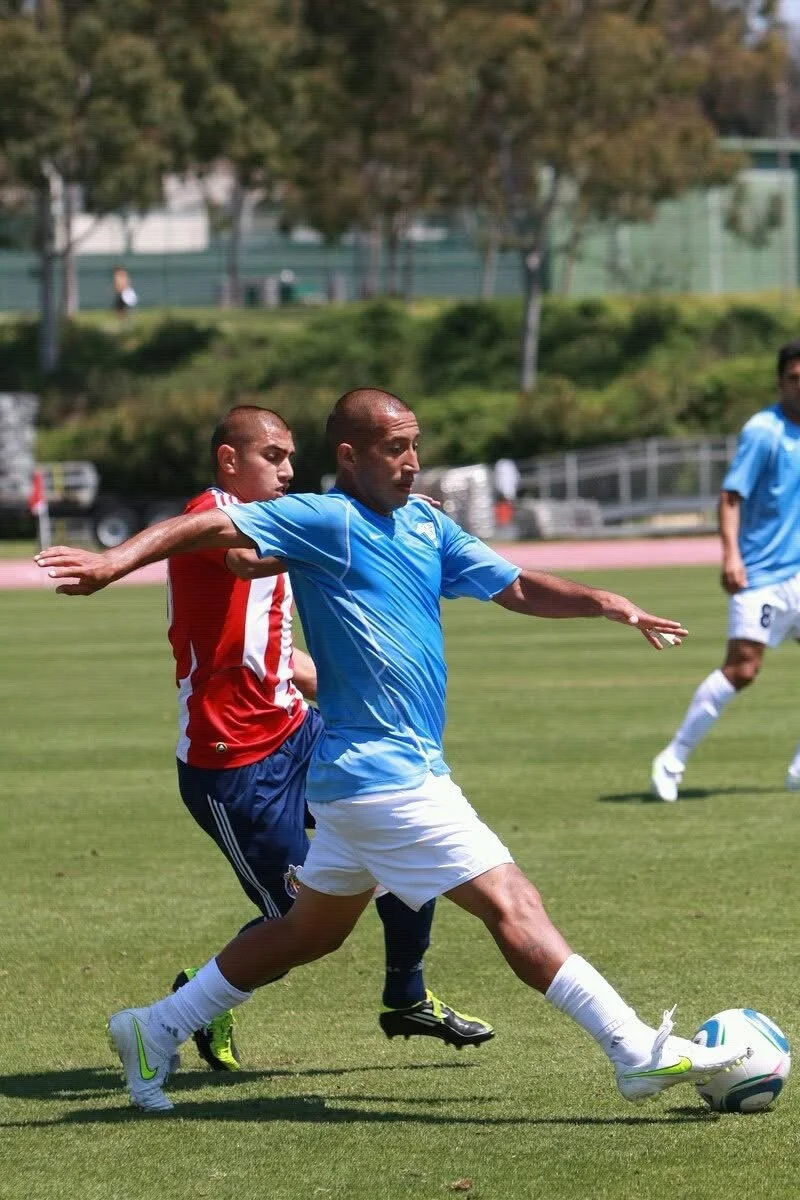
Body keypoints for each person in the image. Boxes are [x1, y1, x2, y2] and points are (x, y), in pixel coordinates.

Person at [36, 388, 750, 1113]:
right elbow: (204, 524)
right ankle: (634, 1051)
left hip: (352, 779)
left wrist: (600, 600)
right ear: (349, 456)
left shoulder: (427, 526)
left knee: (307, 934)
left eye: (415, 444)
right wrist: (110, 563)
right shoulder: (326, 520)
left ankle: (152, 1028)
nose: (412, 462)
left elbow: (515, 586)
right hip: (386, 776)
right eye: (394, 448)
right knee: (512, 901)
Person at [161, 403, 496, 1070]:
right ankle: (197, 1000)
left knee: (401, 813)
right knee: (301, 924)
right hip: (233, 760)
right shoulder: (214, 513)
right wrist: (370, 522)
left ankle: (406, 994)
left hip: (297, 729)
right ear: (230, 462)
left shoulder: (290, 525)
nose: (287, 470)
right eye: (272, 458)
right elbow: (240, 559)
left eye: (290, 456)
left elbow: (278, 651)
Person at [651, 340, 800, 802]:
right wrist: (731, 556)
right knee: (743, 669)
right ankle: (672, 759)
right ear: (781, 382)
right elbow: (730, 497)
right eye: (795, 377)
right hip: (761, 573)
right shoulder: (764, 431)